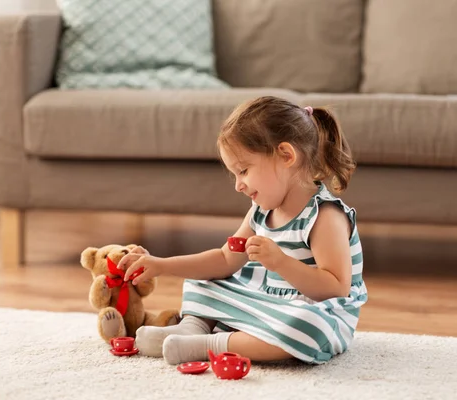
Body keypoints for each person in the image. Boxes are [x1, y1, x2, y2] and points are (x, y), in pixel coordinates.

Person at [117, 96, 368, 365]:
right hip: (264, 299)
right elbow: (225, 260)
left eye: (244, 171)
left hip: (310, 308)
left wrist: (280, 262)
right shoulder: (260, 211)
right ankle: (192, 327)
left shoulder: (325, 216)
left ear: (286, 155)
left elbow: (336, 289)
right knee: (203, 278)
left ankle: (207, 344)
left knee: (307, 327)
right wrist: (162, 265)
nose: (238, 185)